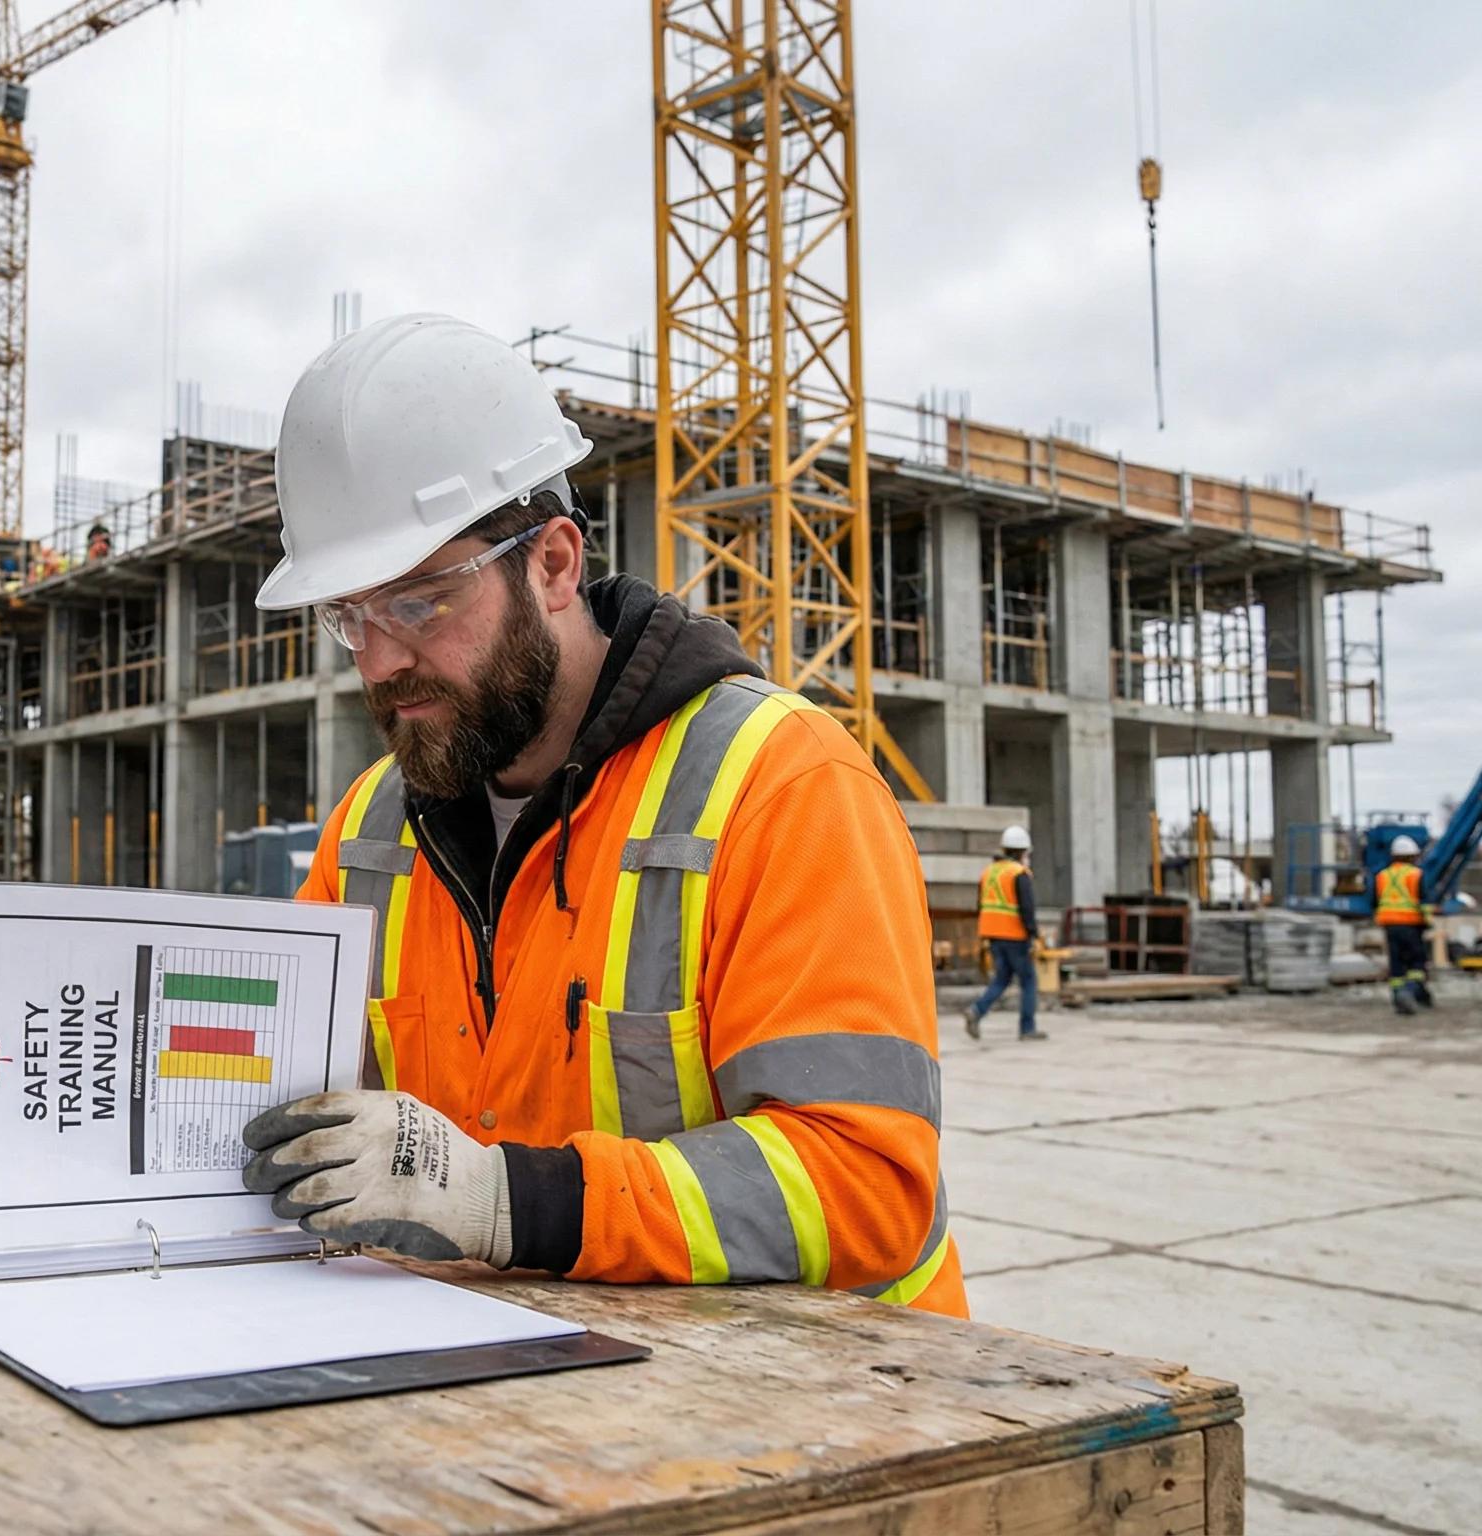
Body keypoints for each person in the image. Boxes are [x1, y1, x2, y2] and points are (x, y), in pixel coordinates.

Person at [235, 313, 961, 1314]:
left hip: (835, 1415)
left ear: (555, 564)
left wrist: (508, 1202)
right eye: (347, 615)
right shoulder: (368, 830)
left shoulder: (781, 787)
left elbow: (864, 1185)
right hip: (516, 1397)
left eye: (417, 601)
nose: (379, 659)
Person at [962, 826, 1041, 1041]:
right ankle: (1027, 1028)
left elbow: (980, 904)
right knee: (1028, 981)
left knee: (1002, 979)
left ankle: (977, 1011)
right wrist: (1034, 935)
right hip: (1015, 935)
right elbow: (1027, 908)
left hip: (993, 934)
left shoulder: (989, 872)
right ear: (1022, 852)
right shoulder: (1019, 873)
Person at [1376, 836, 1435, 1015]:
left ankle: (1398, 997)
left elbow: (1375, 901)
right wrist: (1428, 920)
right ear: (1412, 856)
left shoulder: (1382, 875)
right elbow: (1423, 901)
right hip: (1410, 924)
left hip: (1389, 925)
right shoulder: (1415, 874)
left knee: (1396, 963)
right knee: (1417, 962)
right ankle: (1409, 992)